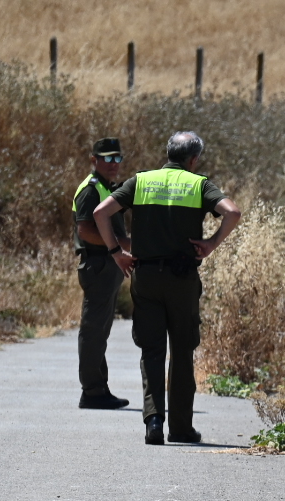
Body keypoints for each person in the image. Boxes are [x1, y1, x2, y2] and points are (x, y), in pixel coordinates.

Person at [92, 131, 241, 445]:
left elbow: (100, 213)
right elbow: (232, 212)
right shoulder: (199, 184)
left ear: (168, 153)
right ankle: (182, 428)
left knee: (152, 351)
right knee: (182, 351)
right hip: (182, 278)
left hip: (145, 275)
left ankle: (154, 422)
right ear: (193, 159)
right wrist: (212, 243)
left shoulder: (140, 181)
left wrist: (116, 254)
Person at [72, 137, 130, 409]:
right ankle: (92, 391)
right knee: (94, 330)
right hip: (98, 264)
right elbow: (84, 230)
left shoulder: (107, 187)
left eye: (117, 158)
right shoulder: (91, 189)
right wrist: (116, 247)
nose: (113, 164)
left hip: (106, 264)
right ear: (94, 161)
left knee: (100, 330)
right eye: (107, 158)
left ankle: (98, 388)